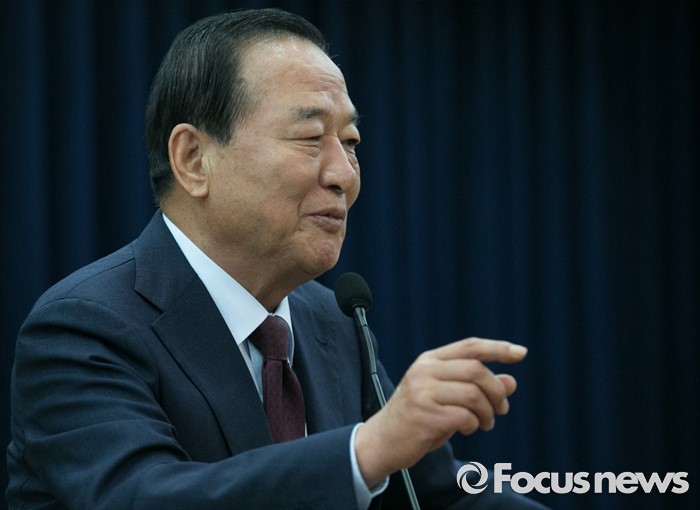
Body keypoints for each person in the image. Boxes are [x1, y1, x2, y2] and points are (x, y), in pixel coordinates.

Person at [6, 9, 548, 509]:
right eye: (310, 137)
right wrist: (364, 451)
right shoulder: (84, 327)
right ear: (193, 159)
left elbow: (436, 498)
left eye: (351, 142)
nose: (344, 175)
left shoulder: (332, 322)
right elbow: (143, 497)